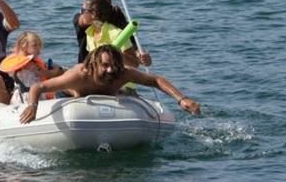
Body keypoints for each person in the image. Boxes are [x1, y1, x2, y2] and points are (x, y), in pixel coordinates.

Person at [20, 45, 200, 124]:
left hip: (108, 97)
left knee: (126, 93)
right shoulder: (80, 74)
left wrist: (181, 99)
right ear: (94, 64)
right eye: (105, 65)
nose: (110, 70)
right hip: (70, 96)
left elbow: (155, 80)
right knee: (67, 88)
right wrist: (33, 106)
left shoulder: (121, 73)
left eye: (114, 65)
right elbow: (39, 87)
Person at [73, 0, 151, 67]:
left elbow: (134, 49)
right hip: (88, 71)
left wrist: (143, 57)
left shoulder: (116, 16)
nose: (85, 9)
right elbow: (90, 12)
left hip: (115, 72)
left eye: (90, 7)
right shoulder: (81, 17)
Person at [0, 31, 64, 104]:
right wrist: (58, 71)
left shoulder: (18, 62)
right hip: (30, 96)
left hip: (20, 95)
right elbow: (45, 74)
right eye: (35, 45)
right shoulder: (29, 64)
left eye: (39, 45)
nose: (38, 48)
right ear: (23, 46)